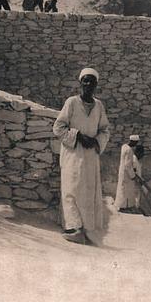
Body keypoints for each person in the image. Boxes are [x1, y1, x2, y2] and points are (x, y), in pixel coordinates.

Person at [53, 68, 111, 245]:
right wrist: (78, 135)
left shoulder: (99, 106)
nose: (88, 84)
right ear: (80, 83)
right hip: (73, 153)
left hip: (91, 156)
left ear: (96, 85)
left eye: (91, 81)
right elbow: (58, 128)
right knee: (71, 188)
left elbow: (105, 130)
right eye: (85, 81)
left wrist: (95, 142)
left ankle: (86, 229)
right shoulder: (71, 102)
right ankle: (73, 227)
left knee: (88, 191)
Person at [114, 135, 143, 213]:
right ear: (133, 141)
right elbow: (127, 165)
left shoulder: (124, 146)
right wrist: (133, 176)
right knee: (125, 190)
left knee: (123, 189)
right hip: (126, 174)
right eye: (136, 143)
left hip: (122, 171)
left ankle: (123, 205)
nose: (136, 145)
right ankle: (123, 206)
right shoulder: (129, 150)